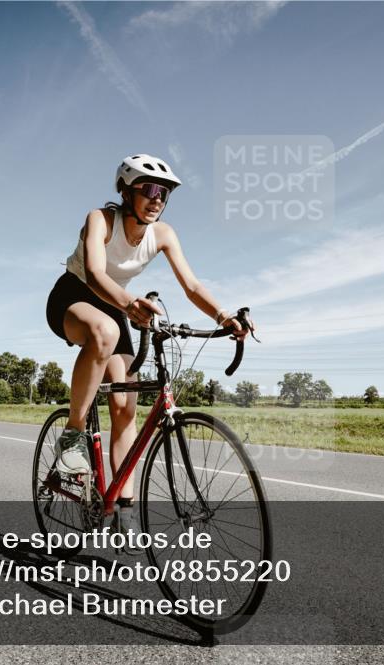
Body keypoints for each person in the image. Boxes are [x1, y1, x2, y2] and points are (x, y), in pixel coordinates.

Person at [45, 154, 252, 551]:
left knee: (124, 407)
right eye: (150, 189)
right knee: (104, 332)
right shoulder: (100, 220)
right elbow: (94, 272)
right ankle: (72, 435)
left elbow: (191, 286)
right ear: (125, 191)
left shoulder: (163, 234)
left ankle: (122, 509)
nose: (158, 199)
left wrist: (224, 315)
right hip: (73, 297)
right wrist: (128, 305)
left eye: (166, 193)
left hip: (114, 305)